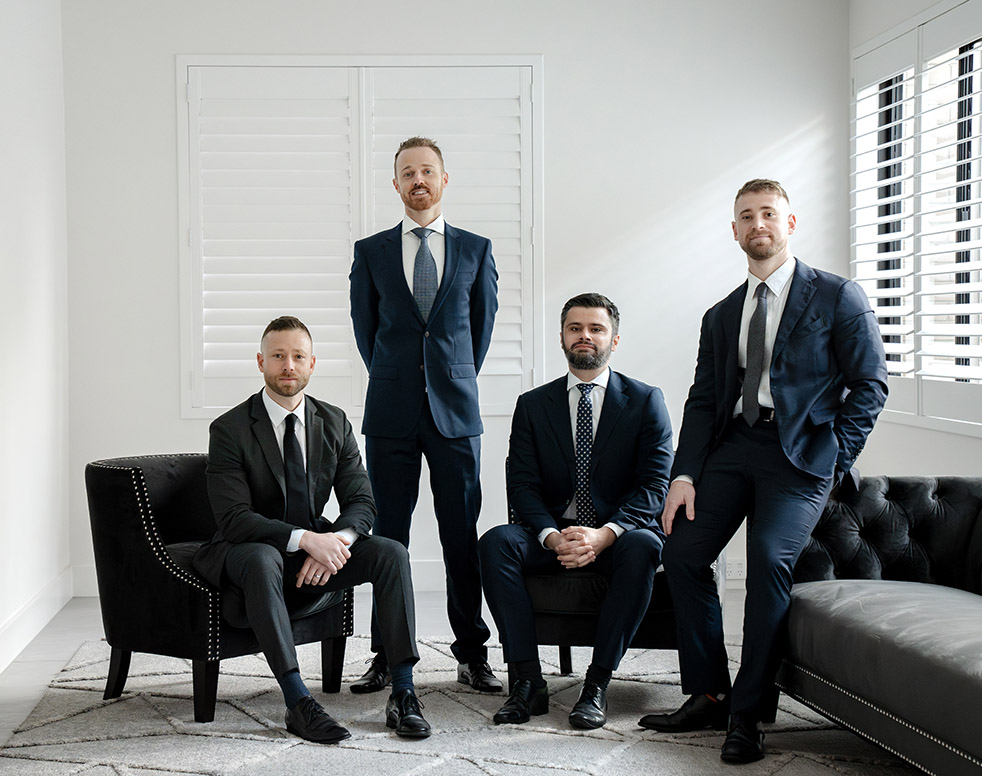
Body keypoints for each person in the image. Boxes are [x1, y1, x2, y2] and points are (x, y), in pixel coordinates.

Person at [638, 180, 888, 763]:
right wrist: (684, 476)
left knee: (769, 562)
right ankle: (709, 691)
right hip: (734, 447)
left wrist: (832, 459)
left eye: (768, 214)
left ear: (790, 222)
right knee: (681, 551)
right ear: (734, 231)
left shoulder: (836, 296)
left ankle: (748, 713)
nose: (758, 225)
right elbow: (703, 401)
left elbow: (870, 386)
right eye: (746, 216)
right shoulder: (722, 314)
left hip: (800, 455)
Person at [193, 316, 431, 744]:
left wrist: (336, 544)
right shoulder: (228, 429)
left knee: (391, 552)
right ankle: (298, 700)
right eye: (278, 356)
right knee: (264, 555)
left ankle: (404, 690)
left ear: (312, 363)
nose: (288, 365)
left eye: (298, 356)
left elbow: (362, 501)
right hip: (246, 550)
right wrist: (307, 541)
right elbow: (234, 518)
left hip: (316, 547)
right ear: (260, 362)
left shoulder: (334, 421)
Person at [479, 293, 674, 729]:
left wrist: (605, 534)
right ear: (562, 338)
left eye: (596, 328)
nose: (585, 336)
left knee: (644, 546)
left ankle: (597, 684)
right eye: (575, 328)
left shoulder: (646, 401)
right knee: (495, 543)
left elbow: (654, 485)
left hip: (618, 535)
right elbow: (522, 485)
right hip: (553, 532)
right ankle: (528, 682)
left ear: (614, 340)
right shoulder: (533, 405)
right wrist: (551, 535)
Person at [349, 136, 501, 694]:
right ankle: (386, 654)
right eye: (407, 172)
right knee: (388, 540)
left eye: (428, 171)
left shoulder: (477, 249)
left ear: (443, 180)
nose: (418, 180)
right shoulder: (371, 252)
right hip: (390, 413)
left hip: (456, 416)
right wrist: (398, 377)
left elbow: (477, 334)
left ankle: (471, 654)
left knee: (460, 536)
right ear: (395, 184)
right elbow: (367, 333)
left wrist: (448, 379)